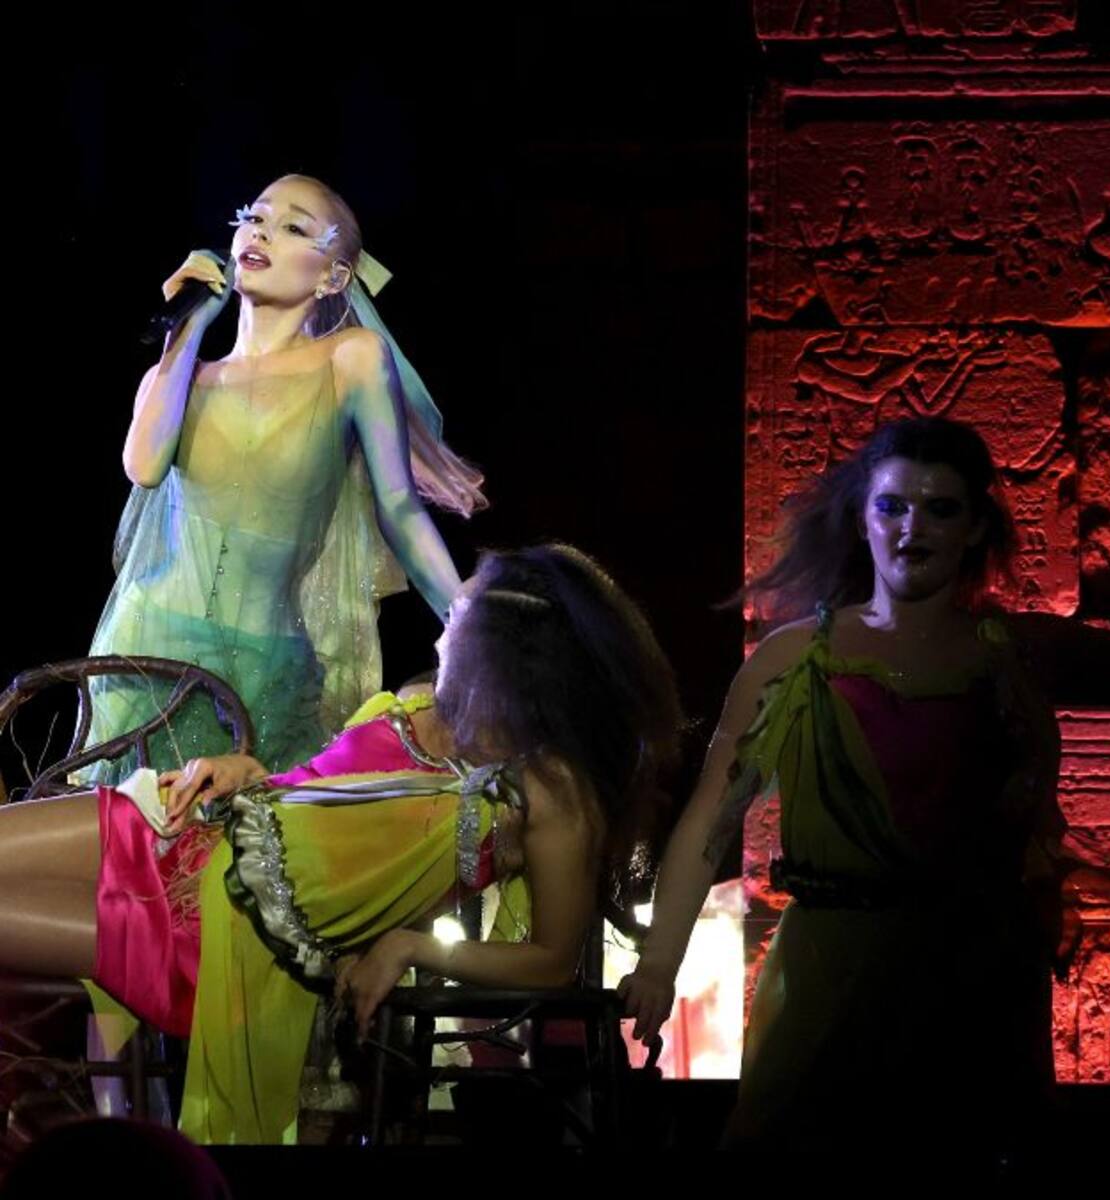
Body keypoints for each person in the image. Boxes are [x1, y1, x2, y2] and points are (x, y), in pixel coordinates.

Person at [618, 417, 1110, 1166]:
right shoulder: (793, 660)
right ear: (861, 519)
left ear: (974, 528)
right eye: (892, 506)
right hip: (833, 970)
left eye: (940, 509)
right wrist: (659, 963)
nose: (911, 527)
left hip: (973, 976)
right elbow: (712, 816)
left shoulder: (1014, 654)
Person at [0, 545, 681, 1144]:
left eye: (458, 623)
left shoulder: (551, 791)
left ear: (504, 661)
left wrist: (412, 946)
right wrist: (249, 771)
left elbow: (551, 962)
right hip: (182, 830)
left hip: (214, 940)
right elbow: (320, 803)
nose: (442, 632)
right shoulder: (419, 702)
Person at [85, 173, 484, 781]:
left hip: (264, 670)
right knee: (130, 832)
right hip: (146, 650)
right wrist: (187, 328)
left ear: (334, 277)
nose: (262, 233)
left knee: (246, 833)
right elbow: (142, 467)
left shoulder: (351, 359)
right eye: (254, 217)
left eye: (293, 227)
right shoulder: (181, 378)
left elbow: (399, 508)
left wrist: (467, 625)